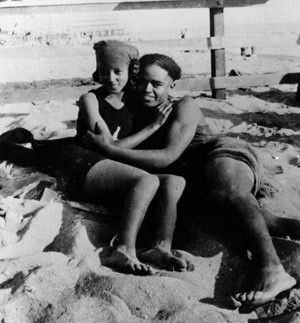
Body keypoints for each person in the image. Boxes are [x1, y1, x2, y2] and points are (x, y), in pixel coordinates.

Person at [83, 52, 300, 308]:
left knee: (229, 193)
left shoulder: (183, 105)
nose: (147, 89)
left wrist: (109, 149)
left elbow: (167, 156)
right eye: (141, 81)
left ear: (172, 85)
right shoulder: (139, 110)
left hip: (224, 155)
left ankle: (272, 270)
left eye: (157, 84)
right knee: (261, 220)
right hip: (197, 181)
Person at [0, 41, 194, 275]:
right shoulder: (90, 99)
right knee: (146, 181)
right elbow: (107, 146)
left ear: (131, 74)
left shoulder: (135, 98)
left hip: (104, 161)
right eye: (105, 71)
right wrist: (153, 126)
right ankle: (123, 249)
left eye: (118, 71)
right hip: (79, 158)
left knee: (175, 181)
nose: (111, 78)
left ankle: (160, 247)